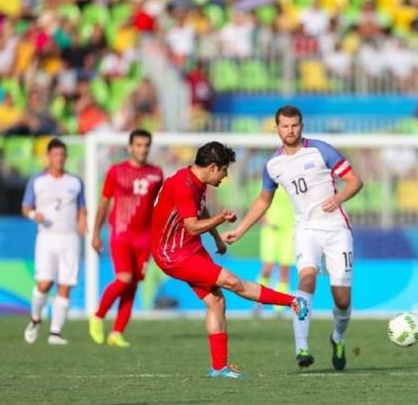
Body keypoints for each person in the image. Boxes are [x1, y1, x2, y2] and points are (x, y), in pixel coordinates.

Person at [150, 141, 308, 379]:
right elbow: (192, 226)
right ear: (213, 167)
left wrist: (216, 239)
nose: (225, 176)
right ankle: (292, 302)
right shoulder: (184, 185)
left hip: (188, 247)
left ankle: (219, 368)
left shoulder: (196, 180)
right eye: (224, 170)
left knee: (217, 303)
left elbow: (198, 212)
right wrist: (221, 219)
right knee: (232, 282)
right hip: (172, 253)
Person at [223, 105, 363, 371]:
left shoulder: (321, 150)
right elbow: (263, 200)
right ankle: (302, 347)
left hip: (336, 230)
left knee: (342, 299)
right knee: (306, 280)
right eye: (285, 126)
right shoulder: (273, 165)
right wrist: (240, 230)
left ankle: (338, 338)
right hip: (306, 230)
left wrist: (339, 197)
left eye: (295, 125)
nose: (290, 130)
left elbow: (355, 181)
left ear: (302, 126)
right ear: (277, 128)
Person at [89, 129, 163, 347]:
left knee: (133, 286)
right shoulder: (116, 171)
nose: (142, 149)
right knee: (124, 279)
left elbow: (160, 205)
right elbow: (104, 203)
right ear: (130, 147)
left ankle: (117, 333)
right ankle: (98, 315)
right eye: (138, 145)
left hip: (145, 238)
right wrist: (95, 234)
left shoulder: (156, 174)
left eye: (146, 145)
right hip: (121, 234)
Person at [22, 138, 87, 345]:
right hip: (46, 238)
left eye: (62, 155)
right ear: (49, 156)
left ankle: (55, 333)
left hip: (70, 239)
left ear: (66, 157)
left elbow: (81, 207)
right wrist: (34, 215)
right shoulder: (37, 181)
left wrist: (83, 221)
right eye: (55, 155)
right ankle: (35, 318)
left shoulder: (75, 182)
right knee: (44, 283)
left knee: (65, 285)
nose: (59, 159)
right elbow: (26, 206)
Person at [254, 187, 295, 317]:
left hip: (289, 230)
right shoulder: (270, 179)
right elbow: (259, 202)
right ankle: (258, 302)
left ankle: (279, 309)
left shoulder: (293, 180)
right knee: (267, 268)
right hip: (271, 231)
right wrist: (263, 218)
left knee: (285, 270)